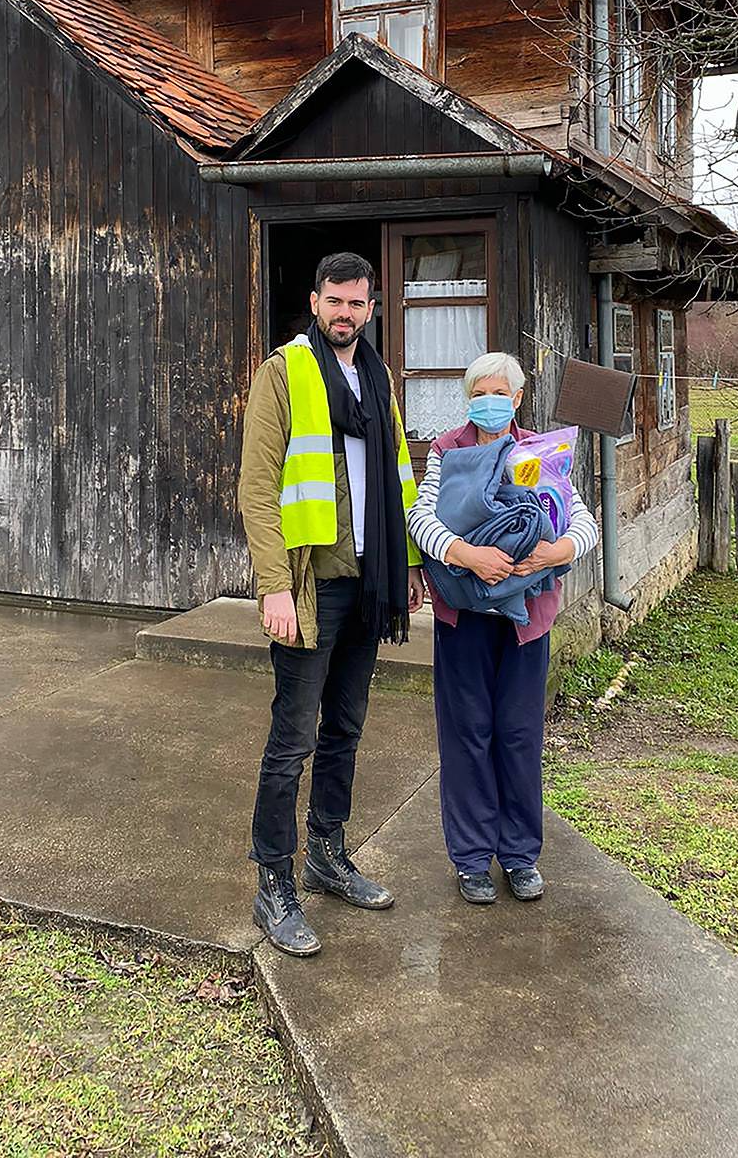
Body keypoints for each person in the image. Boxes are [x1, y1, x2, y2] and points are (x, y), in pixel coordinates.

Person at [239, 252, 426, 956]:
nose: (345, 313)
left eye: (357, 303)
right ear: (316, 302)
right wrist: (273, 586)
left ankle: (326, 854)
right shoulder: (283, 374)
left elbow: (400, 476)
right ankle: (273, 883)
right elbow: (258, 489)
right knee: (292, 739)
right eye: (335, 301)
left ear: (371, 308)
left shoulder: (377, 378)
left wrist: (407, 561)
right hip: (311, 585)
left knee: (345, 727)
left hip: (369, 581)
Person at [408, 352, 599, 905]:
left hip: (527, 622)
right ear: (468, 399)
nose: (489, 402)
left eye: (500, 393)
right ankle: (470, 859)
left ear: (517, 399)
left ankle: (519, 855)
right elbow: (423, 518)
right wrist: (467, 555)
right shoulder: (449, 449)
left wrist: (556, 551)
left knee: (518, 735)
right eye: (478, 393)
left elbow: (580, 518)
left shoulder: (542, 450)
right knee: (466, 735)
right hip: (464, 614)